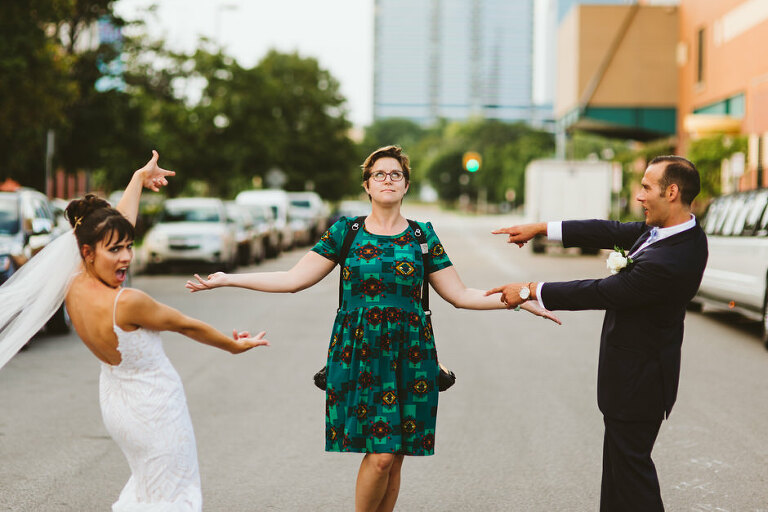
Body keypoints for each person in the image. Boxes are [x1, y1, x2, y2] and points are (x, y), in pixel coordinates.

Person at [185, 145, 560, 512]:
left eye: (395, 174)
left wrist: (520, 299)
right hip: (359, 353)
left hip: (412, 353)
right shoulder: (345, 233)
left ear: (406, 185)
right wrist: (229, 278)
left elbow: (461, 295)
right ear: (366, 185)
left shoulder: (422, 237)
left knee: (395, 456)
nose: (387, 180)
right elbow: (293, 279)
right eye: (379, 174)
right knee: (380, 455)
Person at [0, 151, 270, 511]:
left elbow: (114, 226)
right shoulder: (128, 302)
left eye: (128, 246)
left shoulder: (73, 283)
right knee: (172, 495)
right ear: (88, 251)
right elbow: (186, 325)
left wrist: (137, 180)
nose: (126, 256)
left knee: (148, 489)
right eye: (116, 250)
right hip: (154, 407)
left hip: (118, 403)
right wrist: (233, 346)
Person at [487, 155, 708, 511]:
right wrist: (542, 228)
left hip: (641, 384)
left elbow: (601, 292)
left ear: (672, 191)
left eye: (646, 187)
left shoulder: (673, 259)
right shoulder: (666, 233)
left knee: (633, 481)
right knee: (619, 477)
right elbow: (606, 230)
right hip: (631, 380)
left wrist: (530, 290)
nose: (639, 196)